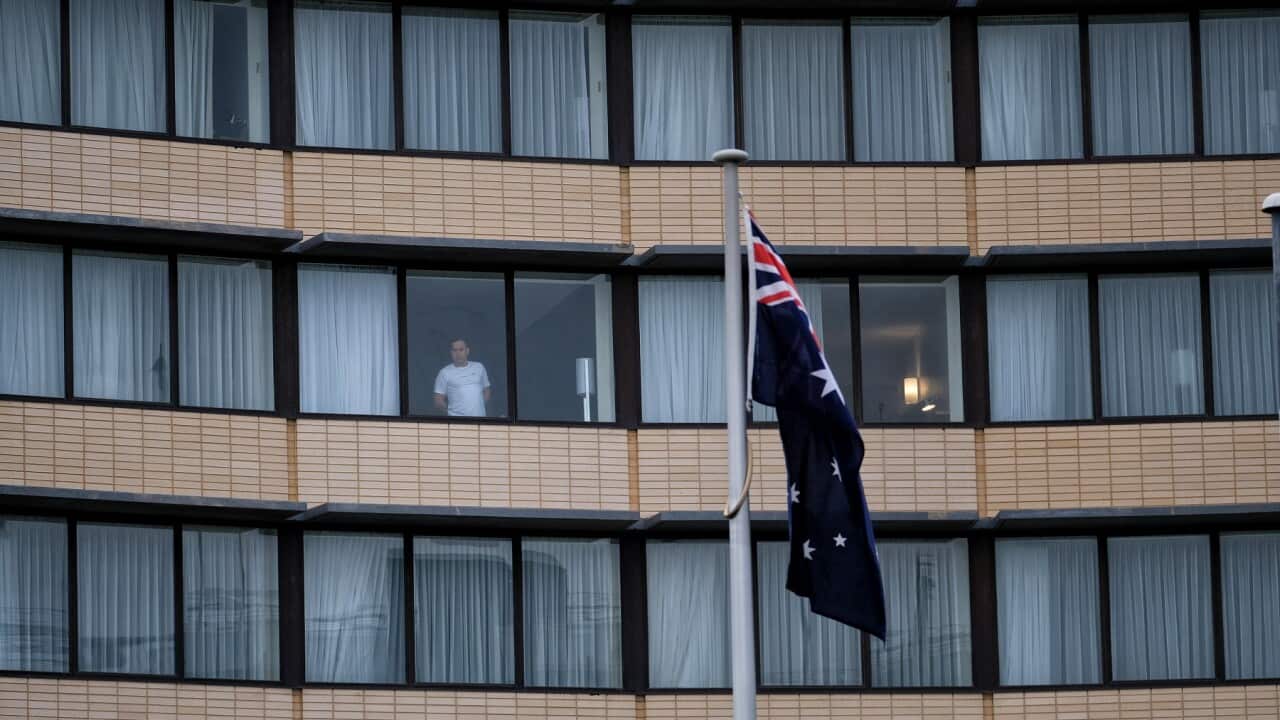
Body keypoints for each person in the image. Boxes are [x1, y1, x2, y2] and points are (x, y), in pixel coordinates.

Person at [433, 338, 491, 417]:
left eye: (461, 350)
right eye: (455, 350)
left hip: (480, 420)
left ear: (467, 351)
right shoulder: (444, 373)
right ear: (451, 353)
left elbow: (487, 391)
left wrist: (478, 406)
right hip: (458, 423)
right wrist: (452, 414)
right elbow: (438, 400)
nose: (458, 353)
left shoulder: (479, 367)